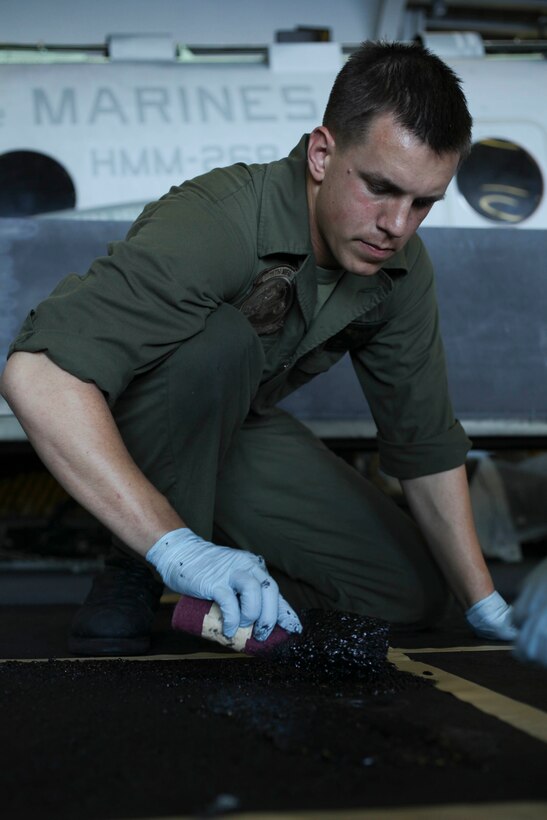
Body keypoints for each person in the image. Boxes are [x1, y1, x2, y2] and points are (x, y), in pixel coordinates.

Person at [0, 40, 516, 656]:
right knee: (222, 343)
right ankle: (134, 565)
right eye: (381, 188)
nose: (397, 226)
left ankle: (235, 591)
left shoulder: (399, 266)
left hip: (235, 431)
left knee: (410, 594)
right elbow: (37, 374)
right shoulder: (217, 218)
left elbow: (425, 445)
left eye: (423, 202)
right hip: (136, 428)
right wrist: (174, 547)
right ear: (322, 154)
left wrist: (486, 605)